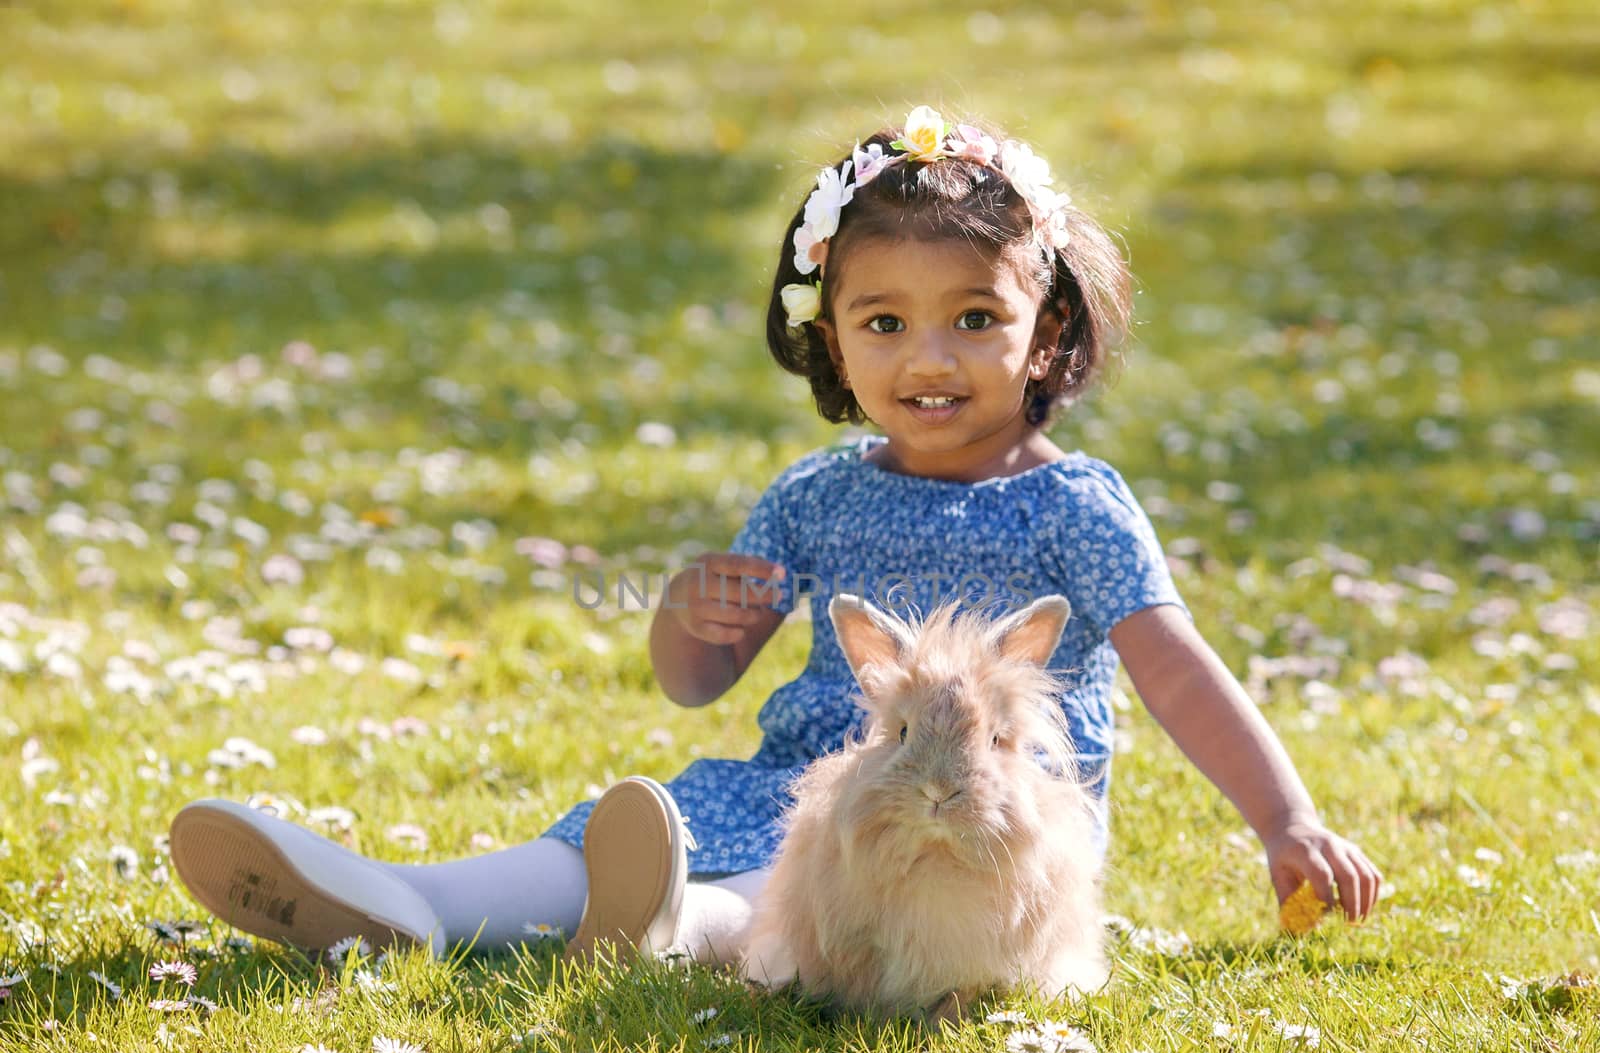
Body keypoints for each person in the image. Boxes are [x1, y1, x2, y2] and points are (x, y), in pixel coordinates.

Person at [168, 106, 1382, 969]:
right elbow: (697, 681)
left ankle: (678, 932)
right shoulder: (816, 494)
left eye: (973, 317)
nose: (928, 356)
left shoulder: (1077, 507)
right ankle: (406, 902)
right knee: (634, 830)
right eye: (885, 320)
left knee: (782, 884)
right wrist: (684, 617)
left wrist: (1283, 821)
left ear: (1047, 325)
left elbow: (1175, 668)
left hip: (978, 829)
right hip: (793, 790)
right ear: (833, 342)